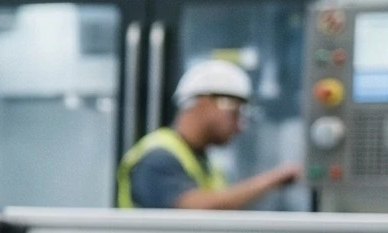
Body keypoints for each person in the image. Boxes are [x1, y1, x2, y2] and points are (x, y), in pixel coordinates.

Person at [117, 58, 303, 210]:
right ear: (203, 102)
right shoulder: (158, 158)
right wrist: (273, 179)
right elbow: (196, 208)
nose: (240, 126)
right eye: (235, 113)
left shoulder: (207, 166)